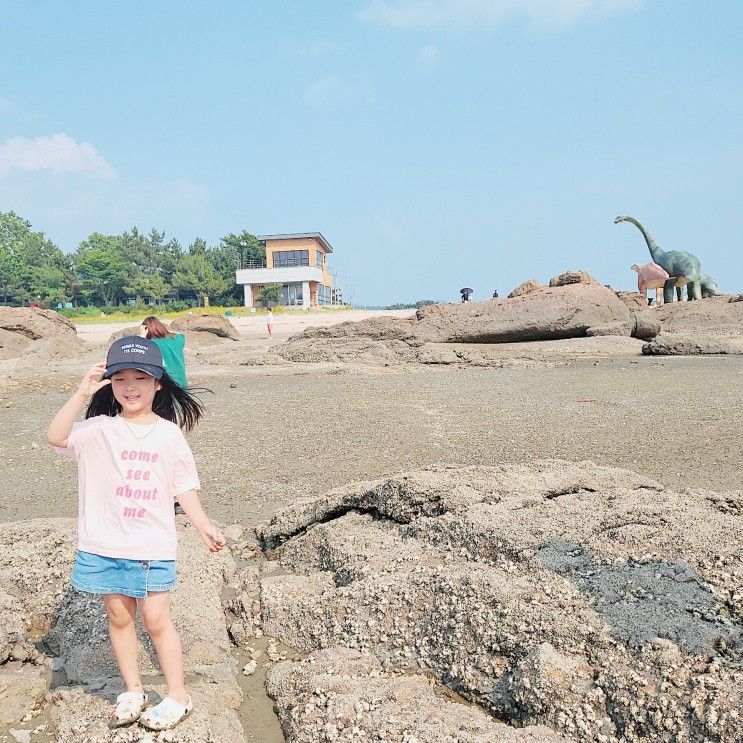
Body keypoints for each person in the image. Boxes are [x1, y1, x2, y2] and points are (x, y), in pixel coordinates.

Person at [47, 337, 225, 732]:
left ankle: (178, 695)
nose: (130, 387)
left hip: (151, 543)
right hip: (103, 544)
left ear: (158, 383)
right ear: (109, 383)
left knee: (157, 619)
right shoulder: (98, 429)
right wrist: (81, 392)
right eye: (121, 378)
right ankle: (133, 690)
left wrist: (203, 524)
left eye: (141, 378)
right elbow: (56, 437)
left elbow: (183, 485)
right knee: (118, 615)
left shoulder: (168, 434)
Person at [139, 317, 187, 389]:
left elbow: (138, 350)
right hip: (182, 383)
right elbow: (180, 334)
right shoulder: (178, 338)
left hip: (166, 385)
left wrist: (142, 335)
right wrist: (163, 330)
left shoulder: (151, 344)